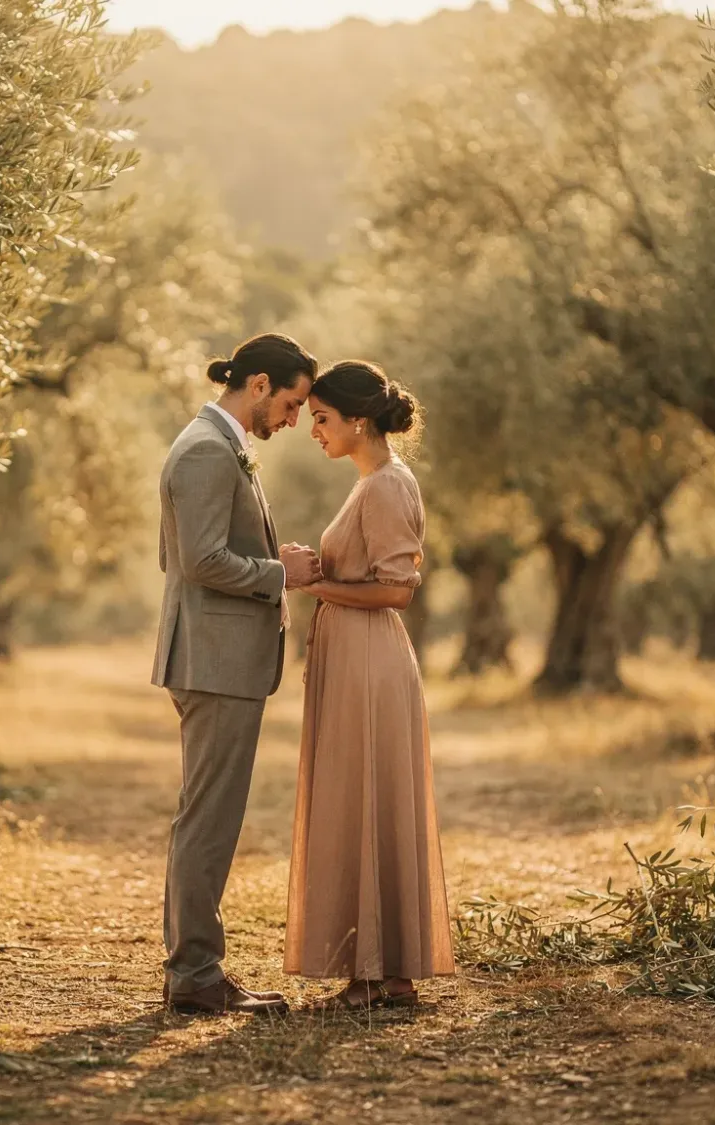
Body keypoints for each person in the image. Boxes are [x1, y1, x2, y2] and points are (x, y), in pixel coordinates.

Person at [152, 332, 321, 1017]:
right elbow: (198, 561)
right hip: (214, 661)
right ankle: (195, 974)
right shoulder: (205, 449)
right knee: (209, 820)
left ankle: (193, 969)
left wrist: (271, 562)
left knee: (207, 815)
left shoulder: (219, 445)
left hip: (217, 658)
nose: (293, 419)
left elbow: (200, 553)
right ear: (258, 385)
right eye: (291, 403)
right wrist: (282, 574)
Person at [285, 360, 455, 1011]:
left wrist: (314, 585)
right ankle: (383, 971)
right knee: (363, 798)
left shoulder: (385, 485)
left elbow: (397, 590)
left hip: (369, 659)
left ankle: (376, 971)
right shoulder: (372, 482)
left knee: (366, 797)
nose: (314, 430)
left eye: (322, 418)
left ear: (358, 420)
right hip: (356, 655)